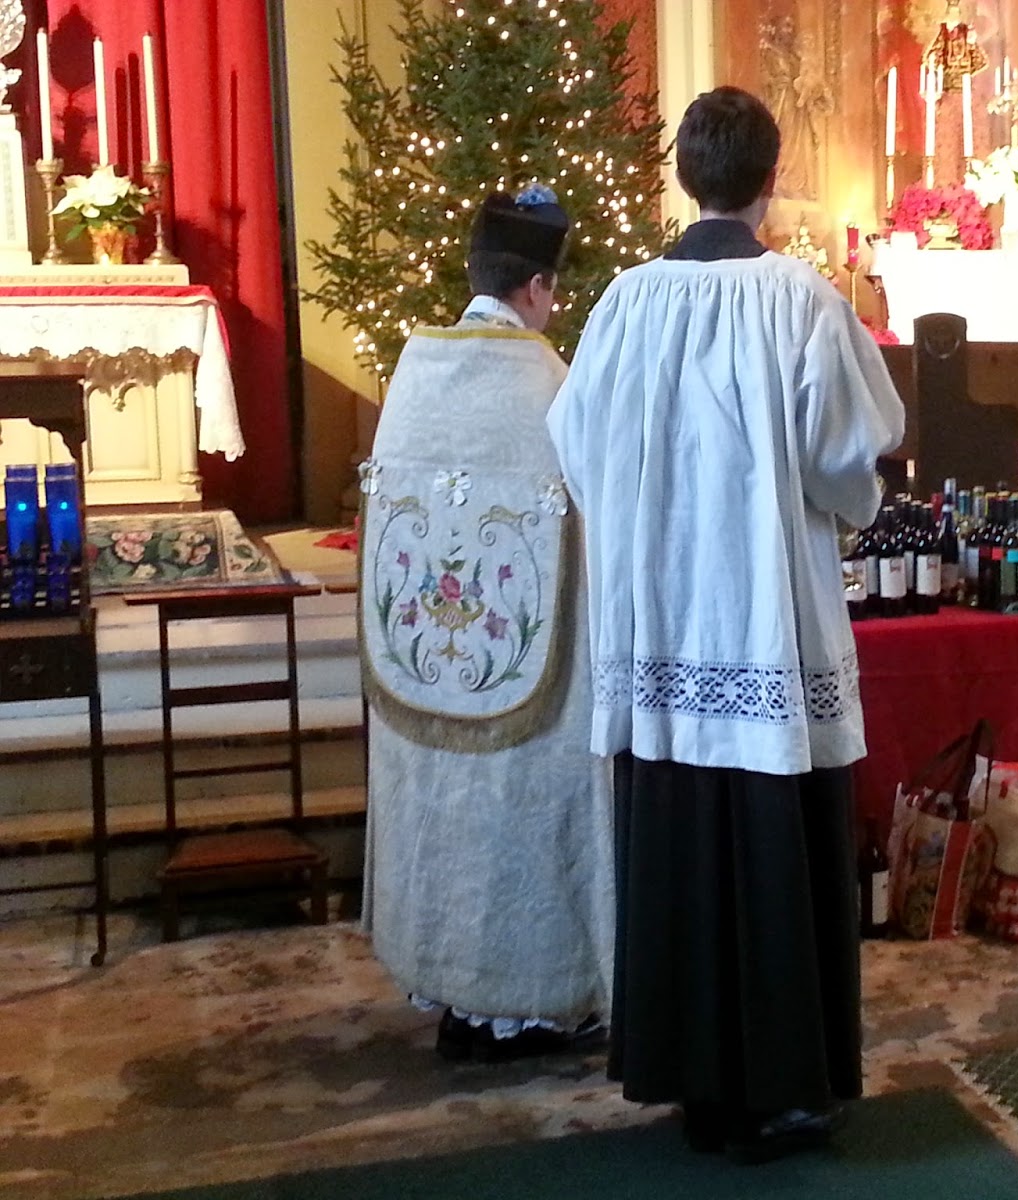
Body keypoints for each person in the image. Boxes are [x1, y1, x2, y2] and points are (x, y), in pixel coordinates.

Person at [548, 87, 905, 1162]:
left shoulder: (621, 303)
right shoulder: (800, 299)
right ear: (770, 175)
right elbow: (849, 454)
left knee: (678, 845)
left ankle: (691, 1082)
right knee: (770, 852)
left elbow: (577, 448)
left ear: (683, 173)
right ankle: (786, 1091)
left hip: (661, 626)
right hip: (762, 620)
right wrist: (846, 507)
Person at [358, 187, 613, 1063]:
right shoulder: (548, 384)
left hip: (427, 662)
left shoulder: (413, 376)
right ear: (539, 287)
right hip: (525, 672)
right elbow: (601, 511)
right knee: (518, 812)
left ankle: (456, 996)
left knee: (446, 810)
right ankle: (528, 1005)